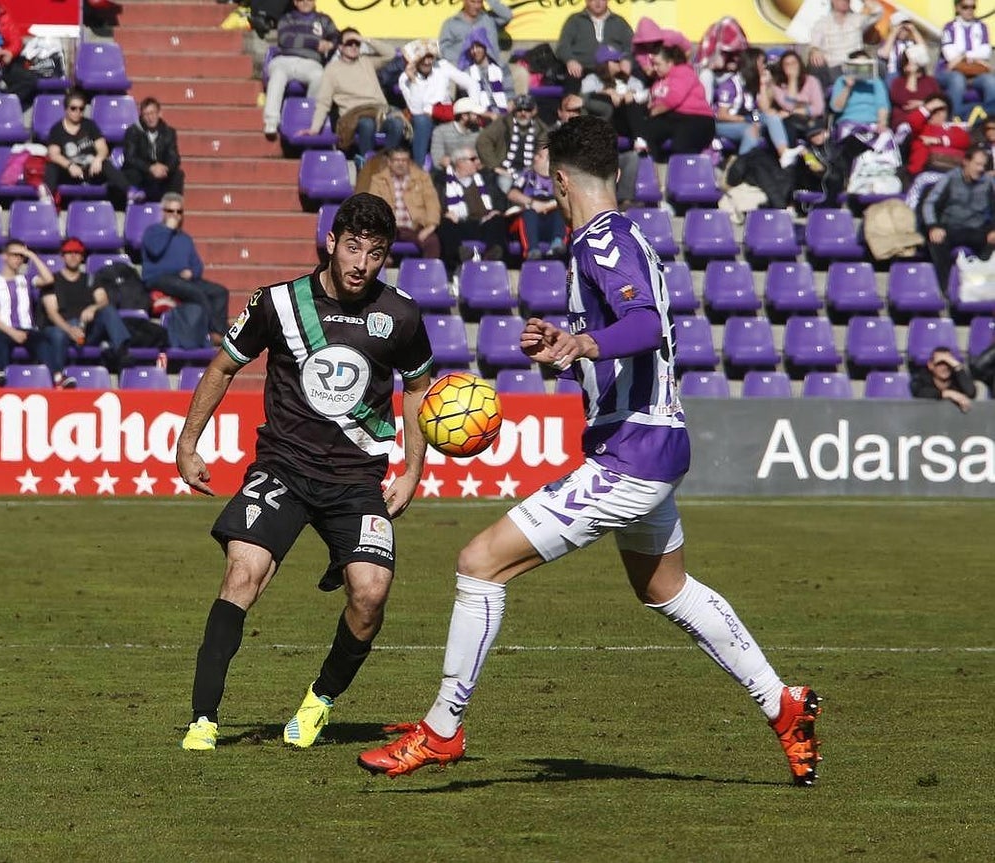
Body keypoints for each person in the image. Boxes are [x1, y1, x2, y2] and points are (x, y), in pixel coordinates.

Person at [357, 115, 822, 787]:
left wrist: (582, 344)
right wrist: (565, 346)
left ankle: (443, 728)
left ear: (559, 180)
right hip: (650, 441)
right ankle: (784, 703)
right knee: (665, 587)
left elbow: (642, 324)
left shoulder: (600, 240)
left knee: (479, 563)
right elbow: (632, 330)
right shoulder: (628, 235)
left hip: (631, 453)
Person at [175, 193, 435, 752]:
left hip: (355, 480)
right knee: (243, 573)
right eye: (354, 247)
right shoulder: (279, 303)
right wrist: (188, 442)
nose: (362, 263)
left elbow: (417, 390)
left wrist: (413, 470)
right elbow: (223, 368)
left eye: (377, 253)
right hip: (284, 468)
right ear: (332, 242)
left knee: (371, 594)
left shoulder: (402, 316)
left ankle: (319, 701)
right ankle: (204, 718)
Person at [301, 28, 405, 161]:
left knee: (397, 124)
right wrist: (314, 128)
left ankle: (388, 163)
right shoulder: (332, 69)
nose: (354, 46)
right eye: (349, 43)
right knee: (367, 124)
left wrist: (365, 40)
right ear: (340, 47)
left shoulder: (366, 61)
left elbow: (390, 54)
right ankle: (366, 165)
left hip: (379, 112)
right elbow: (323, 102)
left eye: (357, 43)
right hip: (353, 115)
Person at [35, 237, 133, 374]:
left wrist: (93, 308)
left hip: (86, 330)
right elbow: (52, 313)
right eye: (69, 252)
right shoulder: (52, 281)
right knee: (58, 334)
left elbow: (103, 300)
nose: (73, 256)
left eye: (77, 252)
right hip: (63, 328)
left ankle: (122, 352)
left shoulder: (91, 279)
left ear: (82, 257)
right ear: (62, 256)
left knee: (108, 311)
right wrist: (70, 330)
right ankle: (58, 376)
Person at [141, 192, 229, 337]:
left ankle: (217, 330)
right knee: (196, 293)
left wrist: (191, 273)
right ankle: (216, 331)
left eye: (179, 211)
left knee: (220, 292)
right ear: (163, 212)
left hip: (183, 280)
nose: (175, 215)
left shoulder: (185, 238)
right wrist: (167, 230)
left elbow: (198, 265)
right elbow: (155, 250)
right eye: (170, 211)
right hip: (159, 278)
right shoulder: (153, 232)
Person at [0, 239, 67, 388]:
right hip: (4, 327)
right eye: (14, 255)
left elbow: (48, 278)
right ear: (5, 256)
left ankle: (58, 376)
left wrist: (31, 255)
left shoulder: (26, 279)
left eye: (21, 256)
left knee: (42, 341)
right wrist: (13, 333)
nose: (18, 259)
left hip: (26, 328)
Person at [921, 145, 995, 292]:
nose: (981, 169)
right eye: (977, 164)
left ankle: (983, 286)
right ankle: (946, 288)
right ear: (966, 162)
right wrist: (933, 226)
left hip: (977, 228)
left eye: (983, 165)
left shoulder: (988, 183)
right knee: (936, 241)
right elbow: (929, 204)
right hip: (950, 227)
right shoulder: (950, 178)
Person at [713, 47, 803, 169]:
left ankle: (784, 153)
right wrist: (746, 121)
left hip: (747, 120)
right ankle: (739, 169)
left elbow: (759, 110)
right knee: (751, 130)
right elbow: (721, 115)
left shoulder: (752, 85)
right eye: (762, 63)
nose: (764, 67)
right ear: (752, 64)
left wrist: (762, 85)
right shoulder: (730, 85)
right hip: (725, 124)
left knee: (771, 116)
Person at [261, 0, 338, 139]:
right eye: (300, 0)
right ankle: (271, 122)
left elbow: (336, 37)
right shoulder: (287, 18)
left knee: (319, 76)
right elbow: (286, 39)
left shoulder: (324, 20)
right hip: (284, 59)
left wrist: (330, 44)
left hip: (310, 62)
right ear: (295, 3)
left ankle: (309, 118)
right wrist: (315, 43)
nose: (305, 2)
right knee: (278, 75)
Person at [44, 88, 133, 204]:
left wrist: (98, 159)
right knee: (52, 166)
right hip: (69, 173)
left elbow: (103, 148)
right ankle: (47, 198)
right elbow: (54, 154)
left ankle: (130, 192)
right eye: (73, 108)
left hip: (90, 170)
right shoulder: (56, 129)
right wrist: (70, 166)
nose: (78, 112)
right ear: (66, 109)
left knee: (106, 163)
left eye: (81, 109)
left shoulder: (90, 125)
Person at [399, 39, 479, 167]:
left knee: (470, 120)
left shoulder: (442, 66)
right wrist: (414, 80)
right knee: (422, 121)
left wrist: (473, 108)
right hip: (421, 120)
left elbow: (471, 84)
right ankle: (418, 170)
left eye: (430, 57)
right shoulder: (405, 78)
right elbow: (416, 110)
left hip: (446, 114)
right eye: (423, 58)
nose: (427, 61)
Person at [436, 145, 508, 267]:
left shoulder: (485, 178)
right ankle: (460, 255)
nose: (478, 162)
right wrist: (444, 213)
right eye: (473, 159)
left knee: (498, 221)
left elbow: (501, 200)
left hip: (482, 223)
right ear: (460, 162)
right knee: (445, 224)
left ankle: (492, 256)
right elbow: (435, 204)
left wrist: (497, 210)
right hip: (457, 224)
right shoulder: (442, 181)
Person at [642, 44, 716, 162]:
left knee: (682, 143)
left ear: (670, 63)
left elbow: (674, 99)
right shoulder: (659, 80)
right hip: (673, 118)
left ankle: (685, 175)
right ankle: (652, 167)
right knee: (648, 133)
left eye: (658, 64)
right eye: (653, 64)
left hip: (697, 117)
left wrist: (654, 111)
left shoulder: (683, 72)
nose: (655, 68)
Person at [367, 147, 442, 259]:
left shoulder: (422, 178)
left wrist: (430, 227)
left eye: (404, 160)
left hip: (415, 227)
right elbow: (373, 207)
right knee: (374, 240)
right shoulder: (378, 180)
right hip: (390, 228)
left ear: (409, 162)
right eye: (397, 160)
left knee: (432, 242)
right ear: (389, 162)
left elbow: (433, 204)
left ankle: (428, 274)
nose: (400, 164)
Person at [555, 0, 634, 95]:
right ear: (586, 1)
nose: (598, 2)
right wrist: (570, 60)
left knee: (633, 86)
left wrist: (626, 59)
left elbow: (631, 45)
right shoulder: (575, 20)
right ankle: (571, 108)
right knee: (571, 83)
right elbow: (563, 46)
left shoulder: (619, 22)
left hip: (611, 71)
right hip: (582, 69)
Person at [476, 93, 549, 193]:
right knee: (504, 184)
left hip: (530, 171)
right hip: (505, 169)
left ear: (533, 111)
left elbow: (545, 152)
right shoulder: (503, 123)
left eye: (527, 110)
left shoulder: (541, 129)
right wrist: (494, 165)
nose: (523, 113)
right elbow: (483, 141)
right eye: (519, 110)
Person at [936, 0, 995, 122]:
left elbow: (986, 51)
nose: (970, 10)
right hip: (949, 72)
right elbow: (949, 54)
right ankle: (952, 119)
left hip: (975, 73)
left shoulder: (982, 27)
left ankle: (987, 120)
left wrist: (963, 54)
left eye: (973, 7)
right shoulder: (949, 27)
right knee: (957, 79)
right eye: (965, 7)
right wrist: (974, 56)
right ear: (957, 8)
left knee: (990, 81)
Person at [808, 0, 883, 90]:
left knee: (880, 67)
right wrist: (815, 50)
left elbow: (878, 12)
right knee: (815, 64)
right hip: (834, 67)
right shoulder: (822, 23)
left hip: (856, 66)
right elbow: (814, 45)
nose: (845, 2)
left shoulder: (857, 19)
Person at [121, 97, 185, 202]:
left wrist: (165, 168)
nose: (150, 118)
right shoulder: (133, 131)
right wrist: (150, 168)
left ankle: (173, 207)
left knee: (178, 174)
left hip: (161, 172)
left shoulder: (168, 132)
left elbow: (174, 157)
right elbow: (130, 157)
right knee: (132, 174)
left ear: (159, 113)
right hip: (143, 171)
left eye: (152, 113)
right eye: (146, 114)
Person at [507, 145, 565, 259]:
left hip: (552, 221)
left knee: (561, 210)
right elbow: (512, 194)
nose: (535, 158)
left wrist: (549, 205)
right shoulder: (528, 175)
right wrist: (533, 203)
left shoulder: (560, 179)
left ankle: (558, 243)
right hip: (531, 221)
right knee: (529, 212)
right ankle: (532, 250)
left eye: (540, 156)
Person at [770, 48, 825, 145]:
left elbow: (818, 108)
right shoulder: (777, 86)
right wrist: (792, 79)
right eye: (787, 64)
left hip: (811, 120)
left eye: (794, 63)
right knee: (788, 126)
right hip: (790, 123)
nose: (791, 67)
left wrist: (792, 112)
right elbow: (788, 105)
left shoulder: (811, 81)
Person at [458, 26, 514, 118]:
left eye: (478, 47)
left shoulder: (501, 68)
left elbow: (510, 94)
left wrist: (508, 109)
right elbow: (469, 103)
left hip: (504, 114)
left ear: (485, 47)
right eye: (472, 48)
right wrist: (489, 115)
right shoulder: (467, 73)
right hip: (482, 116)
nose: (475, 51)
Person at [911, 346, 977, 411]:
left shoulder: (957, 379)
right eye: (940, 363)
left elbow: (971, 392)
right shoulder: (922, 377)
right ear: (930, 365)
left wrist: (957, 367)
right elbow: (919, 392)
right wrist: (947, 393)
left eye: (948, 363)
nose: (945, 368)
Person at [888, 46, 939, 129]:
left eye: (910, 61)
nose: (909, 64)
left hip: (926, 121)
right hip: (904, 121)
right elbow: (905, 101)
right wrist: (912, 76)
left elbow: (939, 101)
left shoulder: (930, 81)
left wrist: (923, 104)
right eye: (906, 61)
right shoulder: (898, 82)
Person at [430, 97, 487, 170]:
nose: (478, 117)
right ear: (464, 116)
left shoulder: (480, 132)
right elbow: (437, 160)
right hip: (448, 174)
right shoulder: (440, 132)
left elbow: (484, 158)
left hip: (474, 172)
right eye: (475, 114)